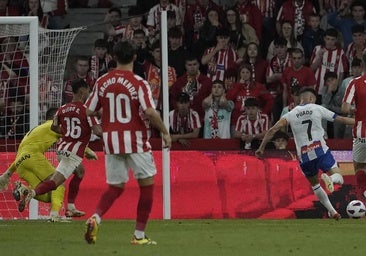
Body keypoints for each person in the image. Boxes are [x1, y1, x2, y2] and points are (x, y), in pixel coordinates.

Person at [83, 40, 171, 245]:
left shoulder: (102, 81)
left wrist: (101, 121)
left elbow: (88, 110)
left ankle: (95, 217)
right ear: (134, 58)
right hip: (135, 141)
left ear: (114, 57)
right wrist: (165, 133)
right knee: (147, 187)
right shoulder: (139, 82)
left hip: (111, 141)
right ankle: (139, 236)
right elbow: (149, 111)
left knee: (116, 186)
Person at [256, 87, 355, 220]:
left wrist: (261, 148)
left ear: (300, 99)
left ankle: (332, 212)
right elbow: (341, 119)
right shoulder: (317, 108)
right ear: (311, 99)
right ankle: (330, 179)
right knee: (339, 177)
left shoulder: (290, 114)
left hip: (304, 157)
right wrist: (359, 122)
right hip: (320, 150)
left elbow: (273, 130)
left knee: (315, 185)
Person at [13, 79, 102, 216]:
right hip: (73, 152)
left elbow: (54, 127)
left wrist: (66, 132)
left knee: (80, 172)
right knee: (55, 183)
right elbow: (97, 131)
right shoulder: (87, 111)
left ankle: (71, 207)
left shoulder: (62, 108)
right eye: (88, 92)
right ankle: (32, 193)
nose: (89, 95)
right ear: (82, 91)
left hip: (61, 149)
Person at [0, 106, 98, 220]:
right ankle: (54, 215)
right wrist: (89, 151)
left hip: (20, 164)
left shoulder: (36, 130)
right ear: (54, 117)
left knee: (48, 195)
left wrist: (8, 173)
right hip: (33, 156)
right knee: (58, 183)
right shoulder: (52, 126)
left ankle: (23, 189)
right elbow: (72, 137)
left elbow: (20, 156)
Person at [342, 51, 366, 203]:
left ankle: (362, 202)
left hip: (361, 133)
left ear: (363, 63)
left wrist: (357, 111)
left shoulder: (355, 83)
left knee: (359, 168)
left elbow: (345, 108)